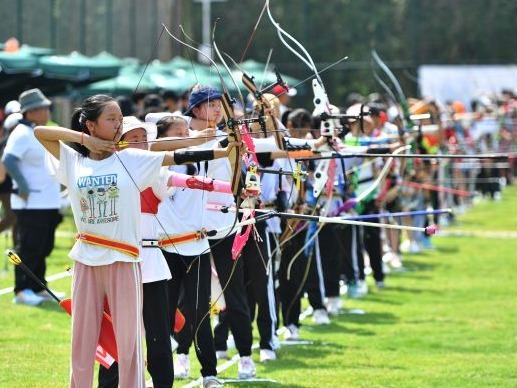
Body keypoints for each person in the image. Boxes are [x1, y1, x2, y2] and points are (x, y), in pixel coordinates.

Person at [34, 94, 237, 388]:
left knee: (129, 344)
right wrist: (84, 141)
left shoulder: (131, 158)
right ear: (91, 125)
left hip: (124, 260)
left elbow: (175, 155)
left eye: (120, 118)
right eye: (111, 119)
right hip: (86, 261)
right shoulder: (74, 160)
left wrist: (223, 152)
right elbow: (41, 132)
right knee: (82, 341)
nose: (118, 125)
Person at [2, 89, 63, 306]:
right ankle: (22, 289)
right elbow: (8, 160)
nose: (47, 111)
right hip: (31, 202)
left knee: (43, 246)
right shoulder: (21, 132)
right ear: (32, 111)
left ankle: (38, 286)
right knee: (28, 247)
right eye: (44, 108)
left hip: (47, 200)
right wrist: (24, 186)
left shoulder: (38, 131)